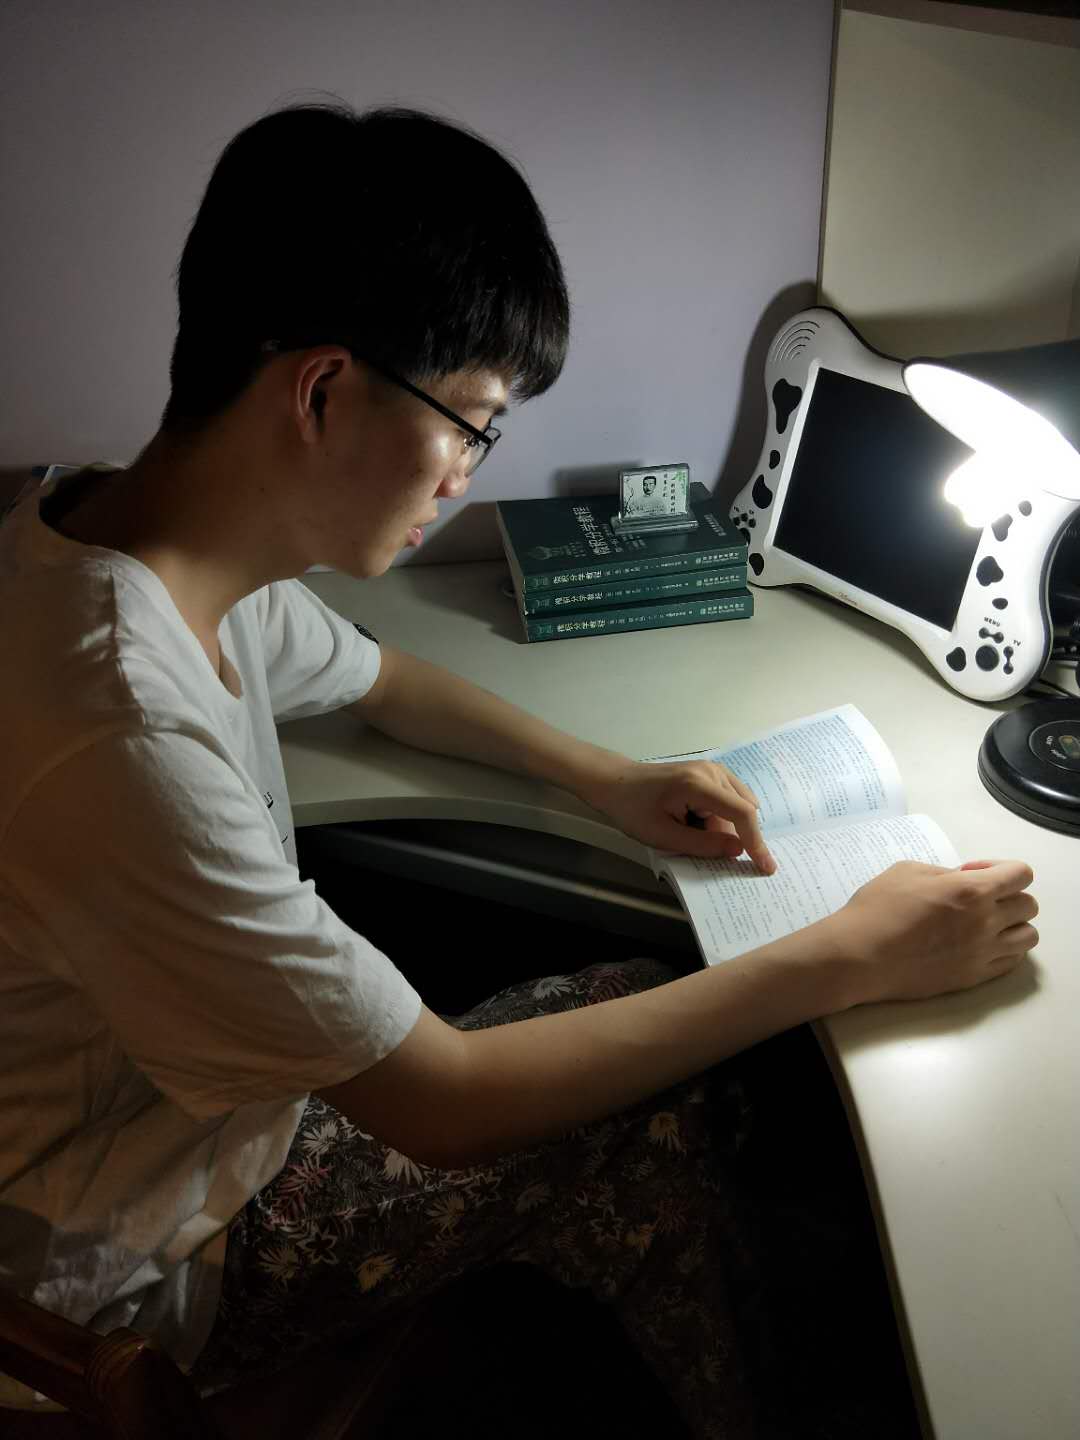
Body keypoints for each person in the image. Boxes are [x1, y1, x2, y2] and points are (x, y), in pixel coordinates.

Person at [0, 101, 1038, 1439]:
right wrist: (851, 953)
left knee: (639, 1026)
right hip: (142, 1254)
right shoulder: (120, 726)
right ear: (323, 390)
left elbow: (383, 679)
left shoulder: (140, 530)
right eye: (472, 424)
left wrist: (610, 776)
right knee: (656, 1123)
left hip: (190, 1132)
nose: (465, 478)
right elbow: (445, 1107)